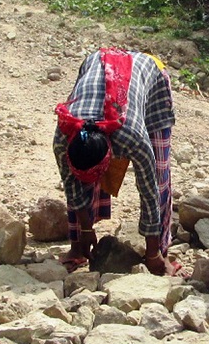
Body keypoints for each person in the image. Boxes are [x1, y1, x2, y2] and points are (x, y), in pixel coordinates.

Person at [53, 47, 177, 275]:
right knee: (80, 183)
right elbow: (72, 185)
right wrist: (85, 229)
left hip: (150, 74)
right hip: (97, 63)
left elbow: (149, 191)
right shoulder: (64, 135)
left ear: (111, 151)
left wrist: (152, 254)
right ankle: (78, 246)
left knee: (159, 174)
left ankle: (162, 249)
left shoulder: (131, 137)